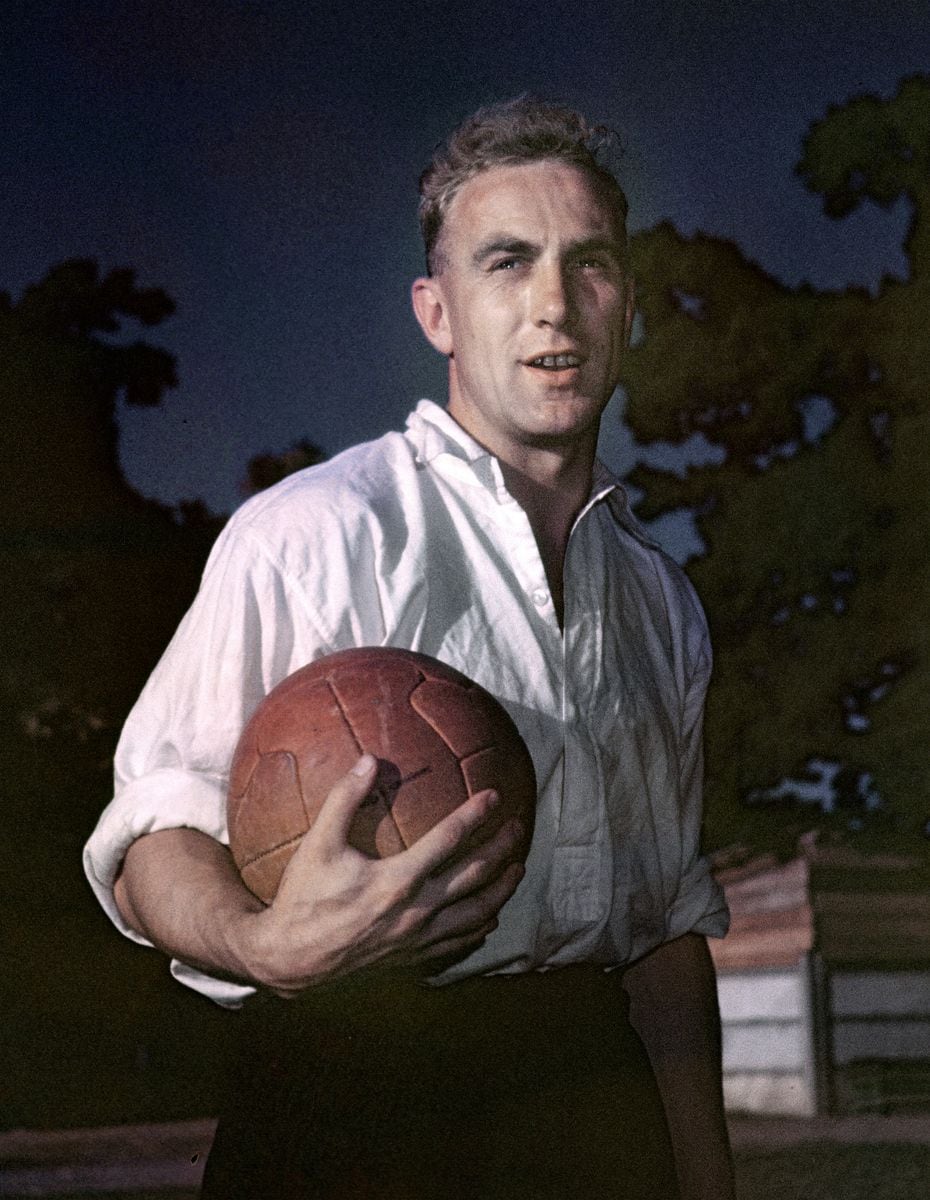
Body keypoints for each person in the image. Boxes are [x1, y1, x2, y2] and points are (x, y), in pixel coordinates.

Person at [84, 99, 734, 1199]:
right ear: (437, 312)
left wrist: (706, 1177)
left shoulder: (663, 604)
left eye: (592, 264)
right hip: (360, 1088)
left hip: (591, 1093)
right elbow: (157, 820)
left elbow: (667, 934)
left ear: (630, 308)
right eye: (506, 262)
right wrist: (263, 944)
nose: (553, 305)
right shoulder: (316, 531)